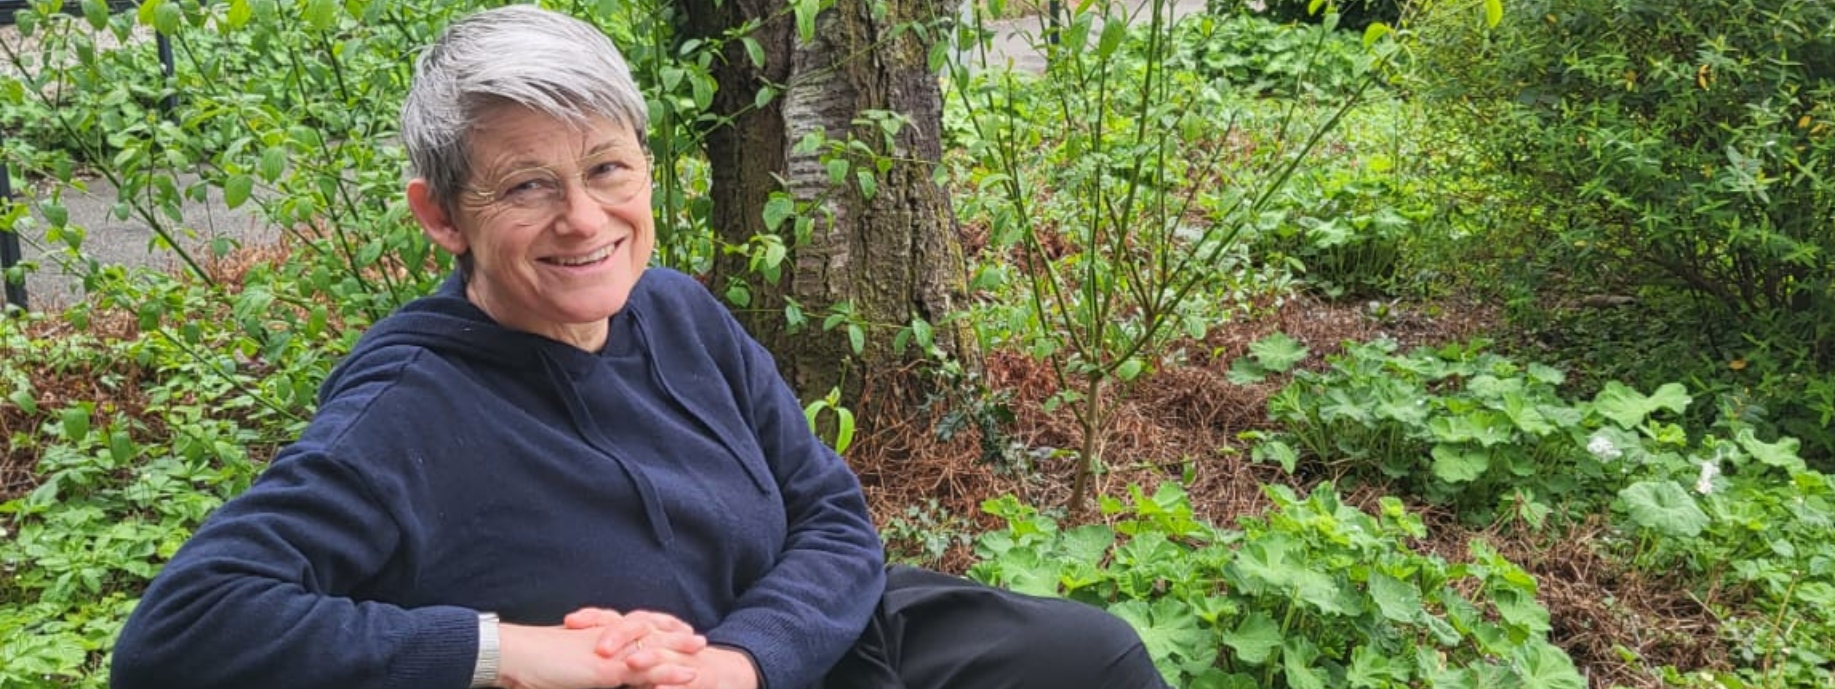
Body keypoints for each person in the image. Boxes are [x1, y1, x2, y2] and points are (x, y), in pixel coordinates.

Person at [108, 6, 1169, 689]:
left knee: (1095, 657)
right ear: (441, 216)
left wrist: (742, 660)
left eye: (608, 168)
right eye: (529, 185)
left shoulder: (677, 311)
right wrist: (523, 652)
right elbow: (179, 633)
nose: (585, 219)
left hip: (793, 646)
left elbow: (832, 514)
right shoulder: (407, 408)